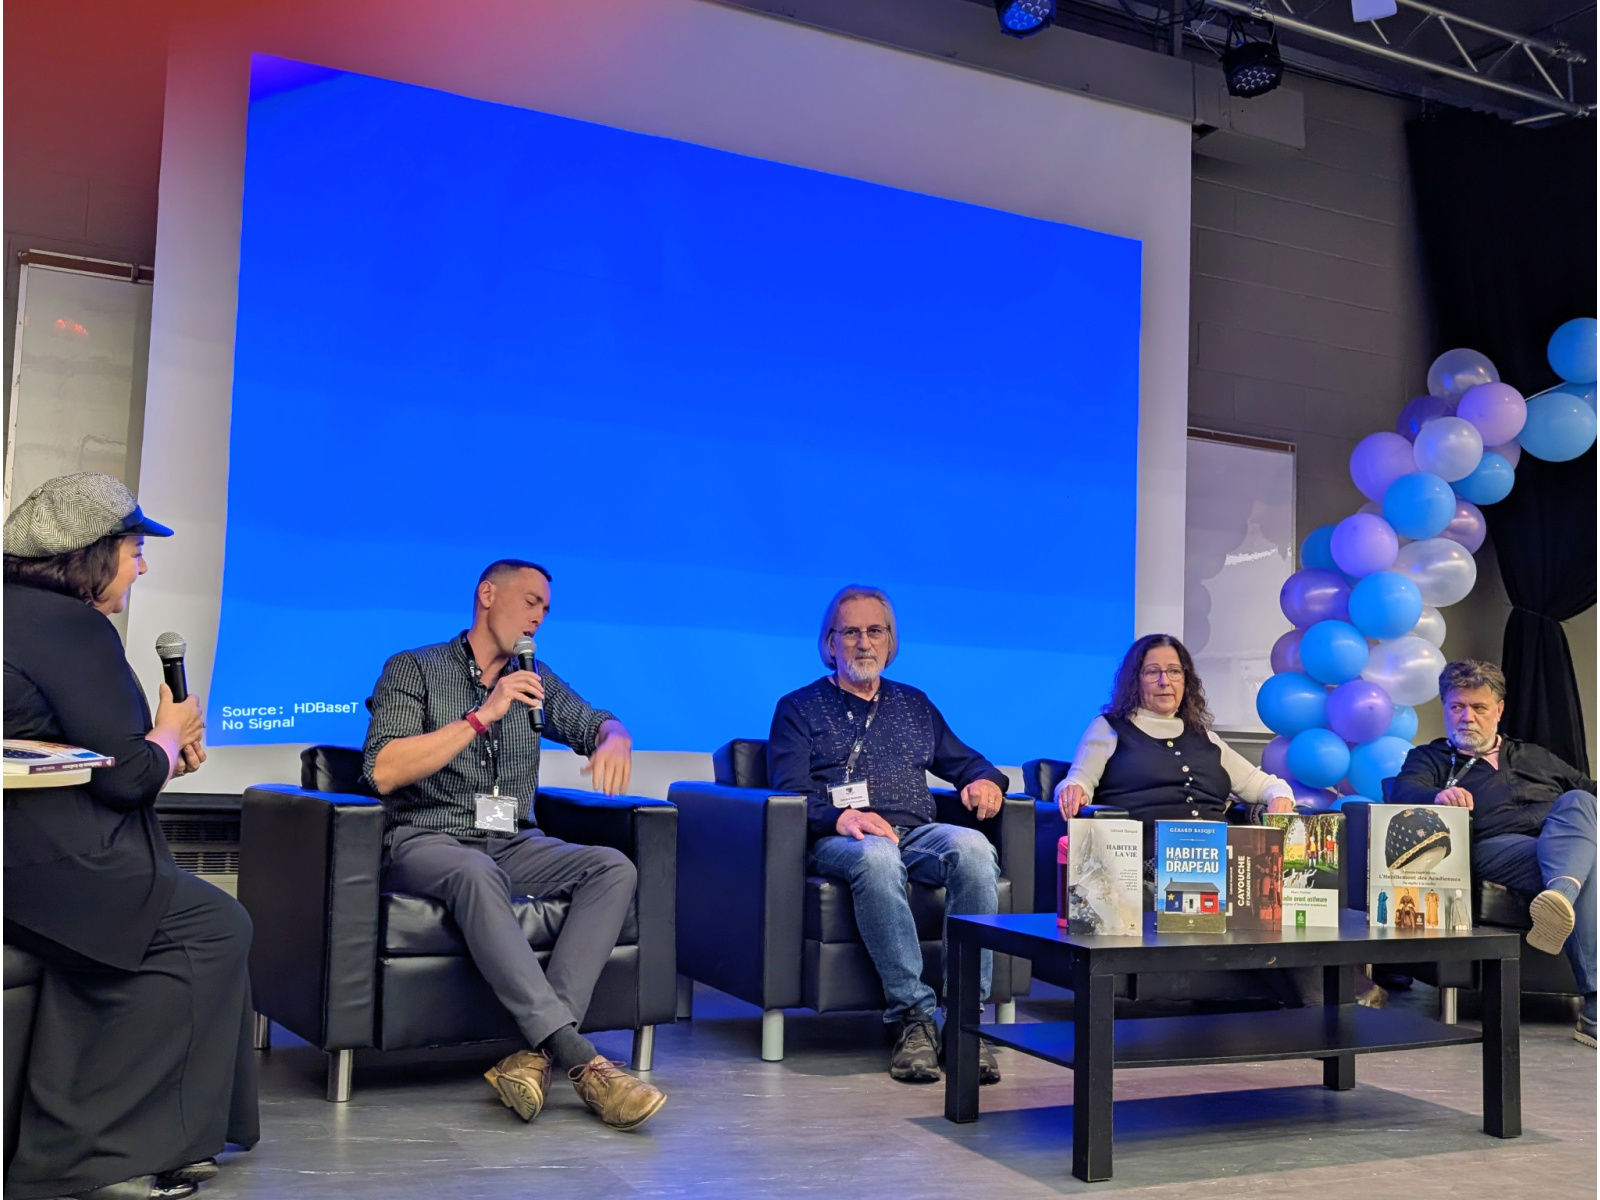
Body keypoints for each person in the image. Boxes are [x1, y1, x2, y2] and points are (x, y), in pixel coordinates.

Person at [3, 473, 257, 1200]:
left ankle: (133, 1140)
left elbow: (102, 759)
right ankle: (98, 1160)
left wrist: (163, 751)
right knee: (216, 927)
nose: (141, 568)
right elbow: (126, 777)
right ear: (91, 553)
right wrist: (169, 736)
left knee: (182, 922)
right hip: (49, 864)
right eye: (135, 551)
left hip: (26, 855)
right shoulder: (72, 627)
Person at [362, 559, 666, 1129]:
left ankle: (535, 1056)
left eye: (545, 609)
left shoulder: (535, 677)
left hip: (510, 840)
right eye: (530, 602)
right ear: (487, 594)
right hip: (428, 837)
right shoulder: (415, 667)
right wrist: (485, 714)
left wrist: (614, 736)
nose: (538, 617)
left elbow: (594, 721)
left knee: (612, 868)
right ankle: (581, 1059)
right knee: (476, 873)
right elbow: (383, 770)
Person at [766, 585, 1008, 1086]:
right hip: (841, 837)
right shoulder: (798, 707)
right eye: (850, 632)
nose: (863, 643)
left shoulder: (914, 704)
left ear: (890, 641)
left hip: (915, 833)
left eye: (874, 631)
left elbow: (968, 762)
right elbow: (790, 792)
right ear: (830, 642)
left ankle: (965, 1020)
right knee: (876, 856)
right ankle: (912, 1017)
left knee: (974, 849)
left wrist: (986, 781)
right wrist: (840, 819)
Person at [1390, 659, 1596, 1047]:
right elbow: (1403, 792)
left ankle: (1559, 900)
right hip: (1496, 848)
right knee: (1591, 863)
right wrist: (1439, 795)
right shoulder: (1431, 758)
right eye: (1457, 706)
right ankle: (1594, 1003)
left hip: (1560, 844)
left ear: (1499, 710)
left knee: (1580, 802)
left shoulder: (1534, 755)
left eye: (1478, 707)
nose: (1466, 717)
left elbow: (1589, 789)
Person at [1054, 633, 1296, 836]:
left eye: (1174, 671)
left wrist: (1280, 797)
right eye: (1152, 672)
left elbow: (1263, 785)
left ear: (1185, 680)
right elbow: (1078, 781)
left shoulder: (1205, 738)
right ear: (1135, 681)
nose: (1164, 681)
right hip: (1149, 858)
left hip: (1221, 858)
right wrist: (1073, 790)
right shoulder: (1108, 728)